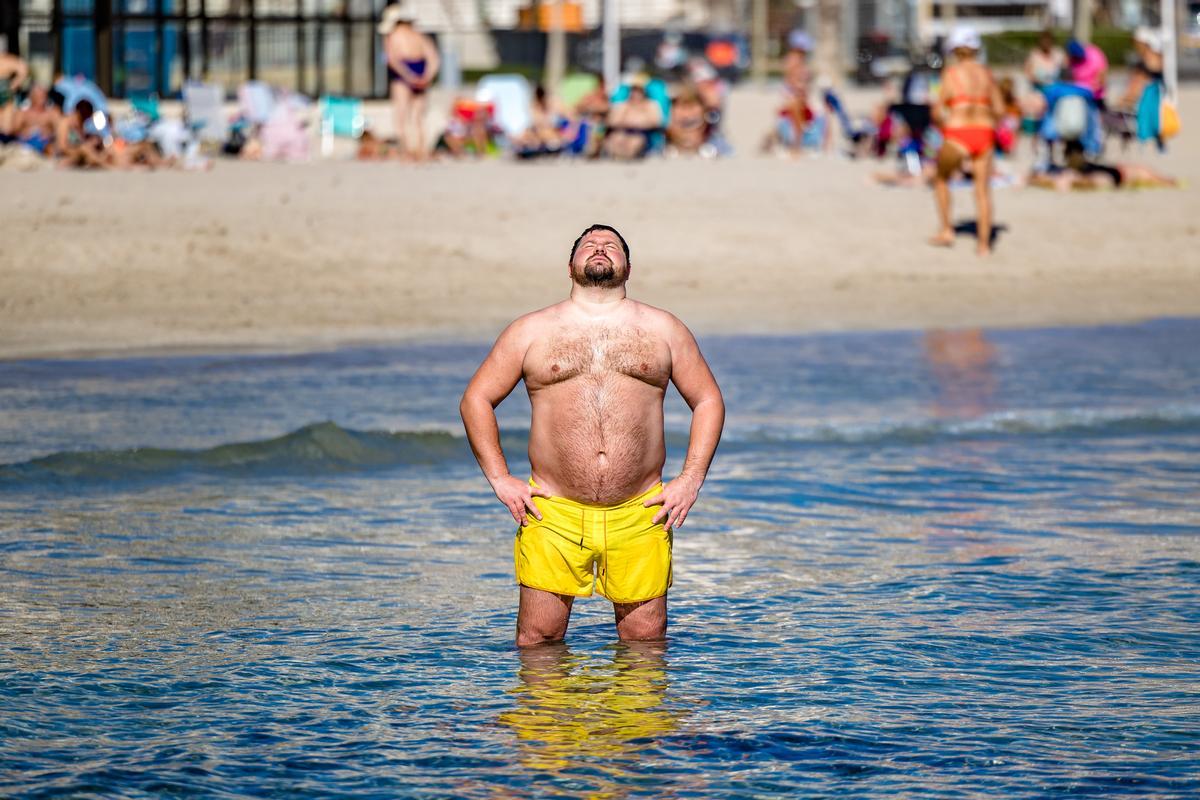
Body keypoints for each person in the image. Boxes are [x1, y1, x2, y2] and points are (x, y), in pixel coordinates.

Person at [459, 224, 725, 646]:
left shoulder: (663, 328)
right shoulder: (531, 330)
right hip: (553, 511)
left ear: (628, 266)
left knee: (644, 640)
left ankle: (634, 717)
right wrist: (499, 479)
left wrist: (691, 480)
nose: (600, 249)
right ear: (570, 266)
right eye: (590, 245)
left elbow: (708, 400)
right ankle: (545, 717)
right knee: (539, 639)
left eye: (611, 246)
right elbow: (476, 399)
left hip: (641, 510)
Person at [929, 25, 1004, 256]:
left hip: (958, 133)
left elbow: (937, 111)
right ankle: (983, 245)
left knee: (941, 179)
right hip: (984, 132)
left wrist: (944, 129)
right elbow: (1000, 109)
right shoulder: (986, 74)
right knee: (982, 191)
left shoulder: (951, 74)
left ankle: (946, 230)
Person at [379, 2, 439, 159]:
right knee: (418, 116)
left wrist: (408, 76)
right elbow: (433, 58)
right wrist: (426, 76)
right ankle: (421, 149)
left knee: (401, 115)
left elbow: (392, 59)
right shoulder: (419, 35)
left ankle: (407, 151)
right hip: (420, 69)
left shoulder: (393, 36)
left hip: (404, 74)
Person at [604, 77, 663, 160]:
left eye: (639, 91)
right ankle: (619, 157)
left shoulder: (651, 105)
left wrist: (639, 124)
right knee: (615, 140)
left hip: (642, 133)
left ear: (644, 92)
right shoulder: (622, 105)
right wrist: (626, 121)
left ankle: (627, 157)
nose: (636, 94)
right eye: (633, 91)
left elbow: (656, 122)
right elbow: (612, 121)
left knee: (634, 142)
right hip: (622, 131)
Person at [15, 84, 61, 154]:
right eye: (38, 96)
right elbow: (13, 130)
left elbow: (61, 130)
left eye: (44, 95)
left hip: (45, 144)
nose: (42, 98)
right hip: (25, 143)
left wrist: (50, 133)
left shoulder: (52, 113)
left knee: (51, 148)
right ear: (31, 97)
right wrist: (23, 132)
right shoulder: (22, 112)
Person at [1066, 37, 1107, 107]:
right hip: (1079, 97)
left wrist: (1092, 88)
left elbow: (1102, 76)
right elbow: (1070, 78)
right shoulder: (1072, 60)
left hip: (1095, 97)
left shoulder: (1094, 53)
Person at [0, 50, 31, 140]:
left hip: (4, 87)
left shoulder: (7, 59)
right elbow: (23, 69)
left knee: (6, 120)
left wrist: (14, 84)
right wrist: (14, 84)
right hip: (5, 86)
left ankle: (4, 140)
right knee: (6, 119)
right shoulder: (8, 59)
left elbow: (24, 69)